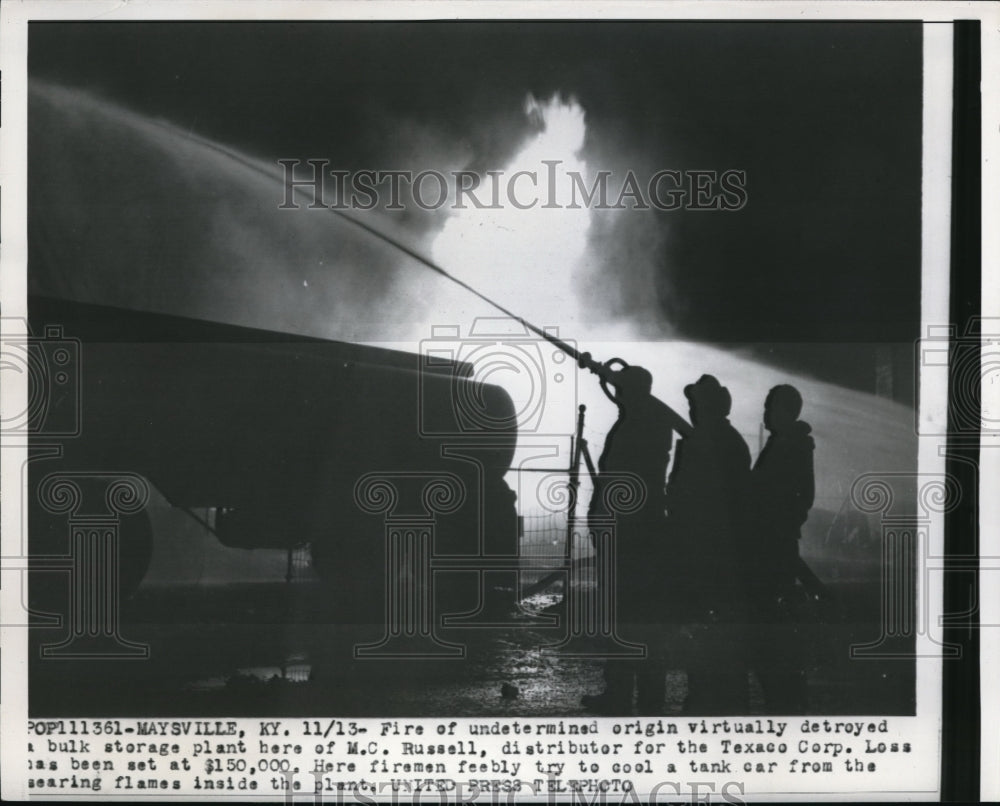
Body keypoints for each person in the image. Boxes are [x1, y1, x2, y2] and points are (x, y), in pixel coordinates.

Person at [580, 363, 691, 714]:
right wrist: (606, 376)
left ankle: (626, 695)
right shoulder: (648, 419)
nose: (618, 393)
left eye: (623, 387)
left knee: (628, 617)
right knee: (636, 618)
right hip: (635, 531)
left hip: (630, 534)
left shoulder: (639, 423)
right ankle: (640, 694)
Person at [664, 374, 752, 714]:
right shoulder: (731, 440)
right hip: (721, 548)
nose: (691, 408)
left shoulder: (701, 441)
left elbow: (684, 494)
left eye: (695, 402)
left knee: (703, 626)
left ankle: (705, 698)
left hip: (702, 548)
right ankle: (724, 698)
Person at [746, 384, 816, 713]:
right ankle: (786, 697)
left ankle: (785, 700)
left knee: (773, 625)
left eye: (770, 407)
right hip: (775, 542)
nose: (765, 414)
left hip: (772, 546)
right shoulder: (792, 444)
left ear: (785, 411)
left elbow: (799, 495)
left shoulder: (790, 447)